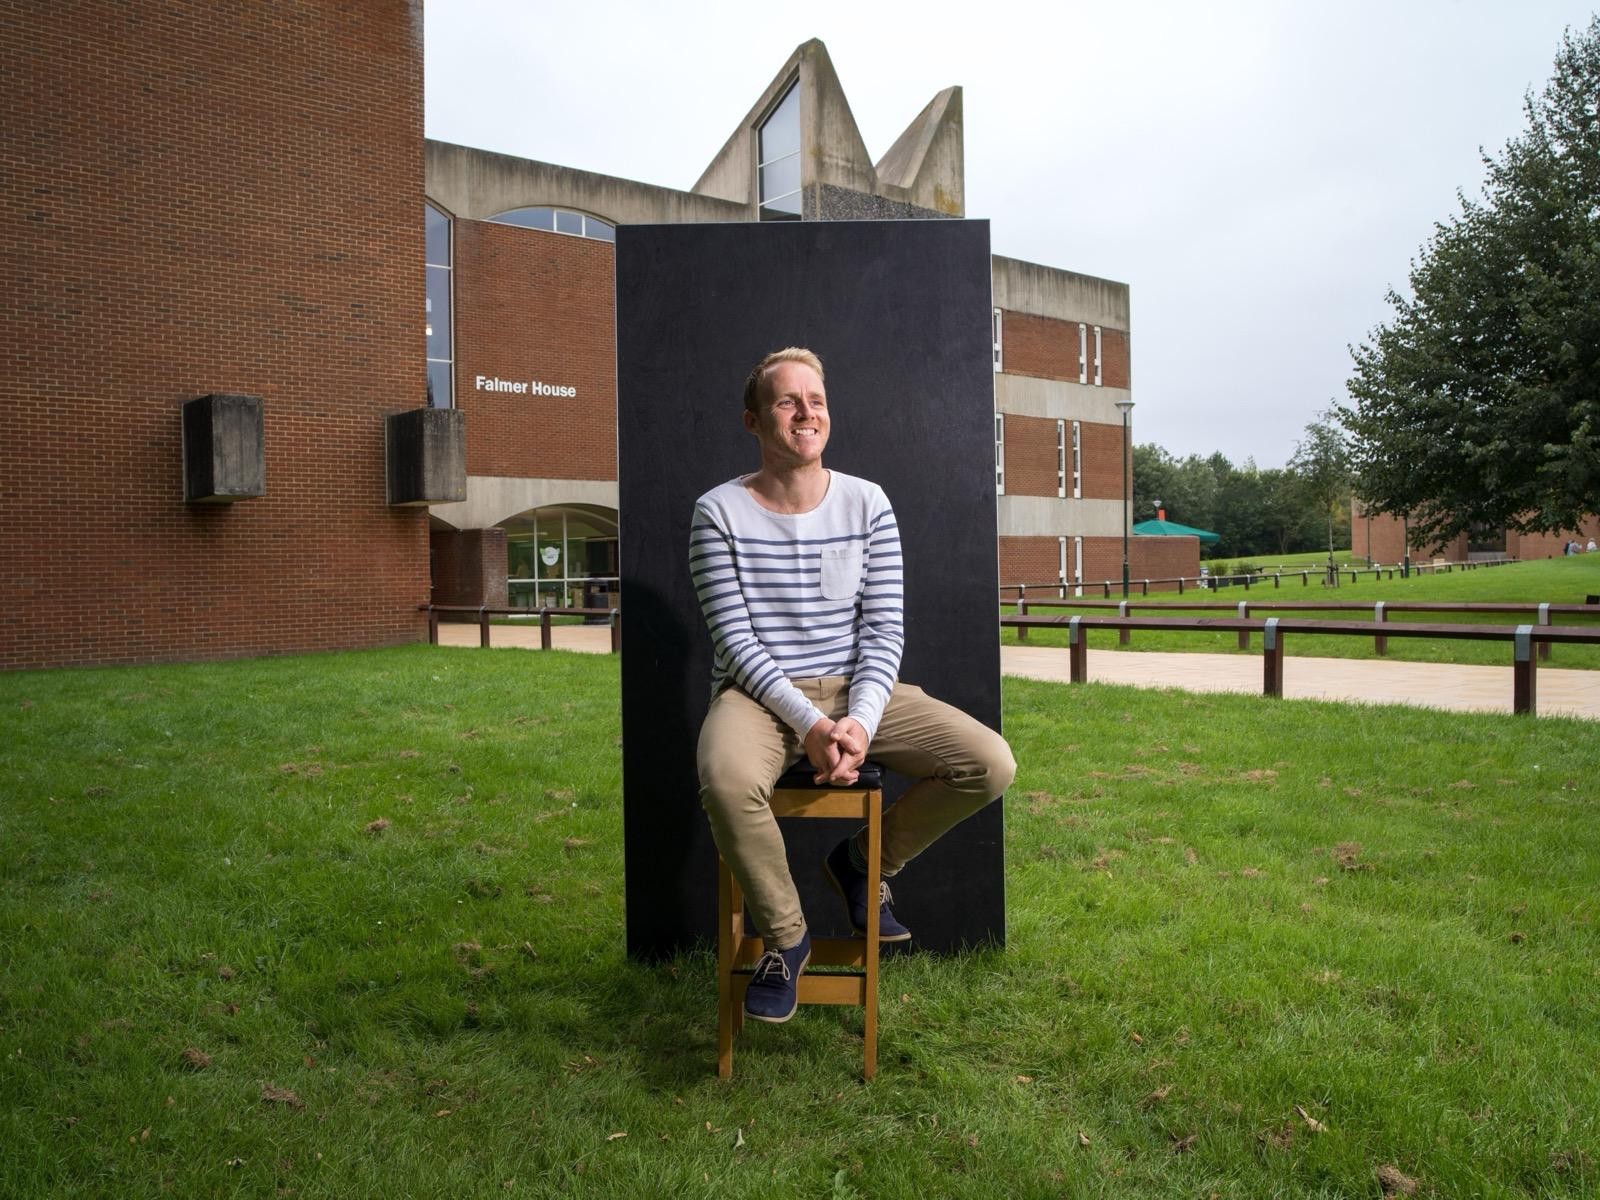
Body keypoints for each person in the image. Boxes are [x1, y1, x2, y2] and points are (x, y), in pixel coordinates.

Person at [690, 347, 1016, 1024]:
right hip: (760, 696)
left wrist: (859, 726)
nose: (806, 413)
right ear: (753, 420)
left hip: (860, 689)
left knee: (988, 763)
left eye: (816, 400)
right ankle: (786, 937)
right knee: (724, 779)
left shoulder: (867, 503)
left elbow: (883, 634)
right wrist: (810, 725)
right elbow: (737, 644)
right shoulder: (718, 511)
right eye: (787, 401)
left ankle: (864, 864)